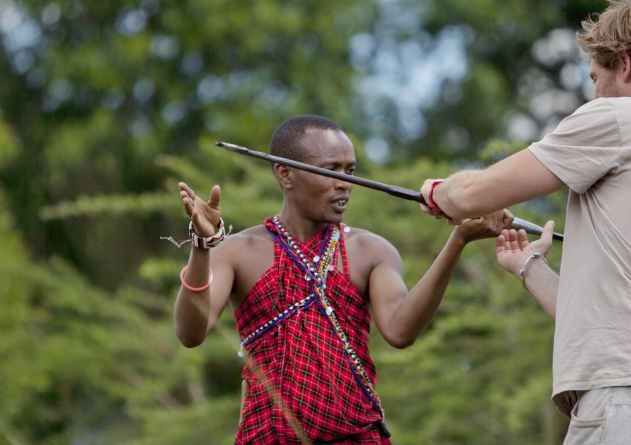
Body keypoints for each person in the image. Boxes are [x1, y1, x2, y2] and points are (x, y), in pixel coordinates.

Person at [418, 1, 631, 443]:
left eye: (595, 78)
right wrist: (530, 268)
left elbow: (472, 194)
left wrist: (440, 191)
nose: (595, 93)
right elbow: (616, 323)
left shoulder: (621, 117)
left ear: (623, 64)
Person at [176, 115, 512, 444]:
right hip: (267, 436)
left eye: (350, 171)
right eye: (330, 170)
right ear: (285, 173)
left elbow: (399, 331)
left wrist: (458, 241)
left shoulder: (371, 251)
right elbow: (191, 333)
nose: (345, 183)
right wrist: (202, 247)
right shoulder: (239, 251)